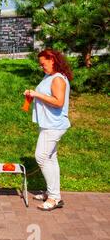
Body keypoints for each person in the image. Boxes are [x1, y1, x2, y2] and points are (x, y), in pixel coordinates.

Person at [24, 49, 73, 211]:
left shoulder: (58, 79)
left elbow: (58, 102)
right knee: (51, 159)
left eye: (43, 64)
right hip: (48, 124)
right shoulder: (50, 76)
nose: (41, 67)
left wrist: (37, 94)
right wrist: (32, 94)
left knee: (41, 157)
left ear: (52, 60)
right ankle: (53, 193)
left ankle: (54, 198)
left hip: (53, 125)